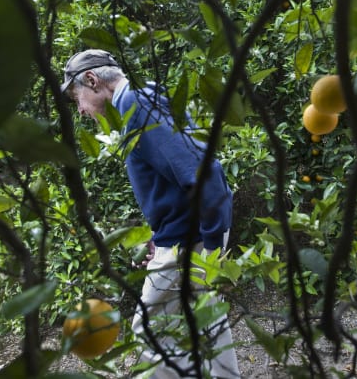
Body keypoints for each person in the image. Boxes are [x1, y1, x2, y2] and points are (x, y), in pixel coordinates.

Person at [61, 49, 241, 378]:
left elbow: (203, 172)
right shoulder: (143, 98)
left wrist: (212, 244)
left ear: (92, 80)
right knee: (204, 319)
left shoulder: (135, 105)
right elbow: (176, 178)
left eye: (78, 100)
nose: (82, 111)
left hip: (192, 240)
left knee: (154, 331)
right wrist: (162, 237)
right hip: (190, 235)